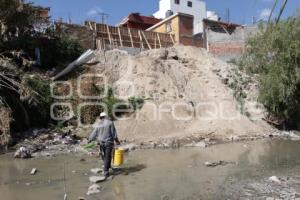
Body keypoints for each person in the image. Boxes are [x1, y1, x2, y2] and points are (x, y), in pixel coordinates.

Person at [88, 112, 120, 178]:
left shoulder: (98, 124)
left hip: (101, 143)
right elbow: (114, 133)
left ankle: (108, 166)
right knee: (108, 156)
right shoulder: (110, 123)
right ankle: (106, 171)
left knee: (105, 156)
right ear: (106, 116)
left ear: (101, 117)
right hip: (108, 142)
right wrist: (117, 141)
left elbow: (94, 133)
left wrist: (89, 140)